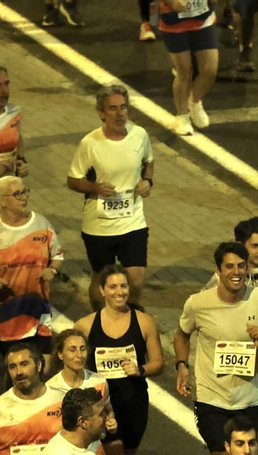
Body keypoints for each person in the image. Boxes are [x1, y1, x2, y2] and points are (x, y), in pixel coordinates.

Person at [176, 240, 258, 455]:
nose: (236, 272)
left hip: (247, 401)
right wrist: (181, 365)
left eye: (241, 266)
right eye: (229, 266)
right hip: (211, 401)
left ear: (247, 269)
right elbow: (181, 335)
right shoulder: (198, 304)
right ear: (218, 271)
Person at [68, 86, 153, 305]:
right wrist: (95, 188)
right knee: (102, 280)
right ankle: (99, 322)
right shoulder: (90, 143)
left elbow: (148, 162)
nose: (120, 113)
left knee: (135, 280)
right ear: (101, 113)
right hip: (99, 226)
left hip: (132, 221)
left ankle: (131, 320)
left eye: (123, 107)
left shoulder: (139, 135)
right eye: (113, 109)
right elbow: (73, 180)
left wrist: (147, 182)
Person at [77, 263, 163, 455]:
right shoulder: (85, 326)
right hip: (99, 408)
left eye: (123, 286)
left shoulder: (144, 322)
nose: (119, 292)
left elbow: (159, 364)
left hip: (133, 405)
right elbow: (71, 364)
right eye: (113, 287)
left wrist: (140, 369)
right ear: (101, 290)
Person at [0, 176, 63, 357]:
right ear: (2, 201)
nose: (24, 197)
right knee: (18, 368)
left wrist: (52, 269)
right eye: (17, 194)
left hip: (39, 309)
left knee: (42, 365)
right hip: (7, 314)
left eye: (25, 191)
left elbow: (57, 255)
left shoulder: (41, 224)